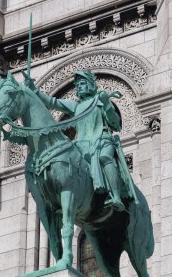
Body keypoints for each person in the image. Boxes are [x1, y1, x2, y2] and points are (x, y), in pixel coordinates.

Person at [25, 70, 126, 211]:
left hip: (102, 140)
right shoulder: (76, 106)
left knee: (104, 157)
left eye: (83, 83)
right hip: (81, 145)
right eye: (77, 85)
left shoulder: (100, 101)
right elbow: (52, 102)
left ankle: (116, 196)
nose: (79, 87)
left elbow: (115, 123)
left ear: (90, 85)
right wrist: (34, 90)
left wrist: (107, 104)